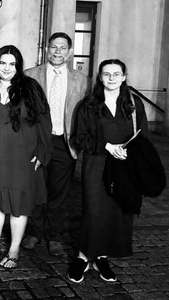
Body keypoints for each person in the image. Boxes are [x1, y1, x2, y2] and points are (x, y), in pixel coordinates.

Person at [0, 45, 51, 269]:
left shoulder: (31, 88)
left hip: (22, 157)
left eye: (12, 64)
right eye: (2, 63)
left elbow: (44, 121)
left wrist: (42, 153)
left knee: (19, 205)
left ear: (18, 66)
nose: (6, 68)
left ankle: (14, 248)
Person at [66, 59, 145, 283]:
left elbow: (142, 135)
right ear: (100, 77)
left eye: (116, 74)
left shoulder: (132, 103)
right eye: (106, 74)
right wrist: (107, 146)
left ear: (124, 76)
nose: (111, 78)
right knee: (94, 211)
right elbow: (78, 138)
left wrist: (130, 153)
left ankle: (101, 257)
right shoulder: (88, 105)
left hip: (124, 166)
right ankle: (82, 258)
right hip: (97, 164)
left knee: (116, 212)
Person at [22, 32, 89, 257]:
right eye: (53, 47)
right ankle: (34, 231)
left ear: (70, 52)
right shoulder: (30, 75)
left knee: (59, 192)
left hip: (64, 141)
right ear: (46, 49)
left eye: (62, 48)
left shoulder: (81, 79)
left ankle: (54, 236)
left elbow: (83, 112)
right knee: (36, 187)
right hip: (37, 141)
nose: (57, 52)